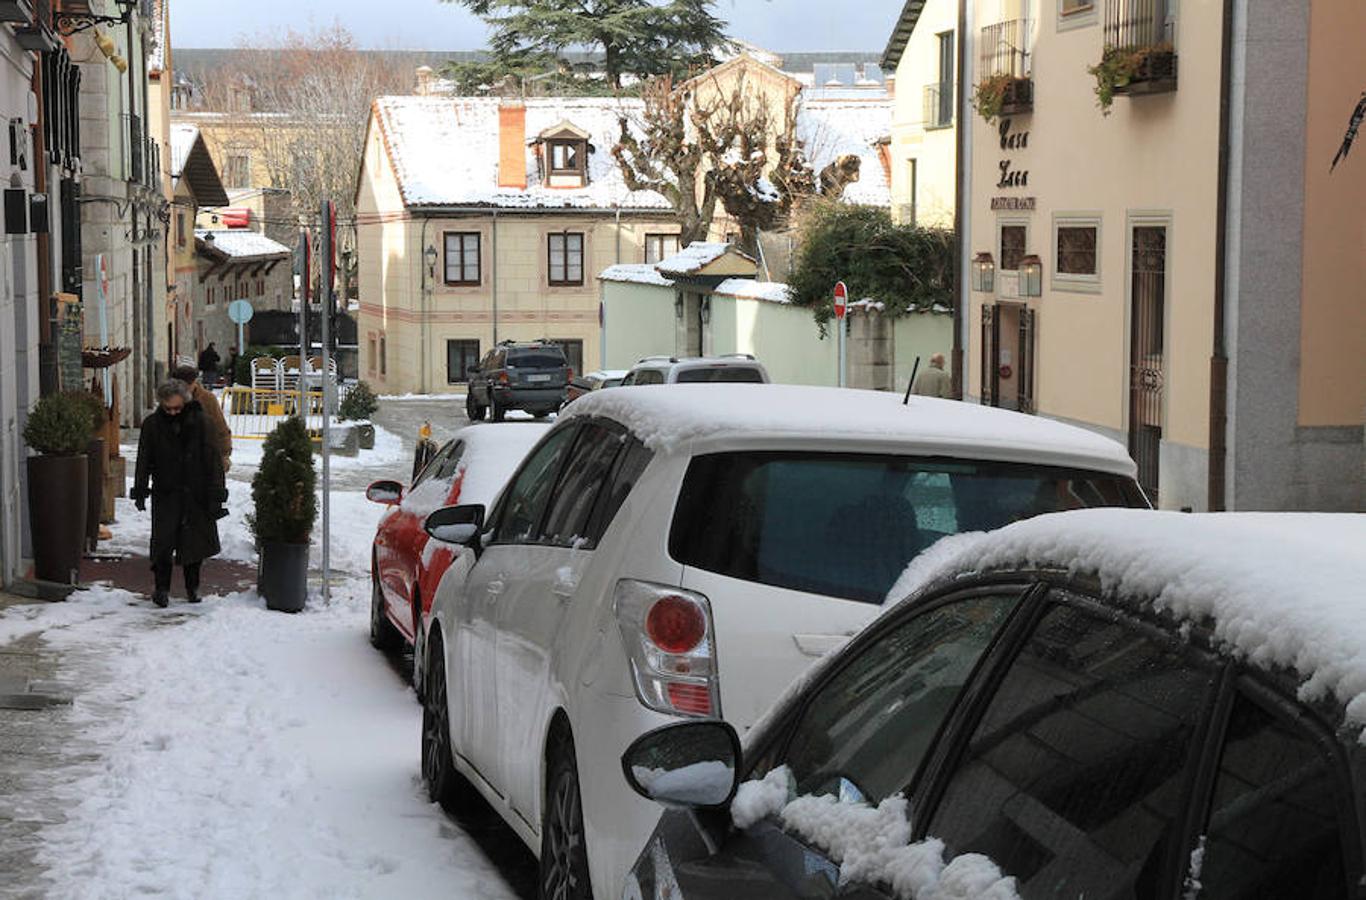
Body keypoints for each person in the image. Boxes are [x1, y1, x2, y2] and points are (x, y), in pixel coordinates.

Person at [131, 380, 228, 608]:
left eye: (177, 408)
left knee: (193, 543)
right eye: (168, 409)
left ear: (185, 403)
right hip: (166, 491)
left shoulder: (202, 423)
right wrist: (141, 489)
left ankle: (192, 587)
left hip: (196, 492)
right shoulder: (153, 425)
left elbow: (213, 461)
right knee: (163, 542)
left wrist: (216, 495)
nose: (173, 413)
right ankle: (161, 588)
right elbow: (144, 459)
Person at [172, 364, 233, 473]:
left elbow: (220, 427)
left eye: (189, 384)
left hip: (202, 456)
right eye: (182, 385)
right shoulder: (170, 398)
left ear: (195, 382)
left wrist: (224, 455)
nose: (186, 388)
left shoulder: (207, 399)